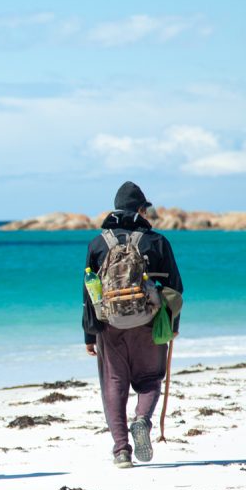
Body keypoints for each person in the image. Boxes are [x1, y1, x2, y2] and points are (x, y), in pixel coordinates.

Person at [82, 181, 183, 469]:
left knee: (114, 384)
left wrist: (89, 334)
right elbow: (175, 289)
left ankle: (121, 451)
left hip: (109, 324)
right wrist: (172, 325)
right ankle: (142, 420)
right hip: (150, 322)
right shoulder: (158, 242)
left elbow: (88, 294)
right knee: (150, 379)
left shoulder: (98, 244)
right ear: (141, 210)